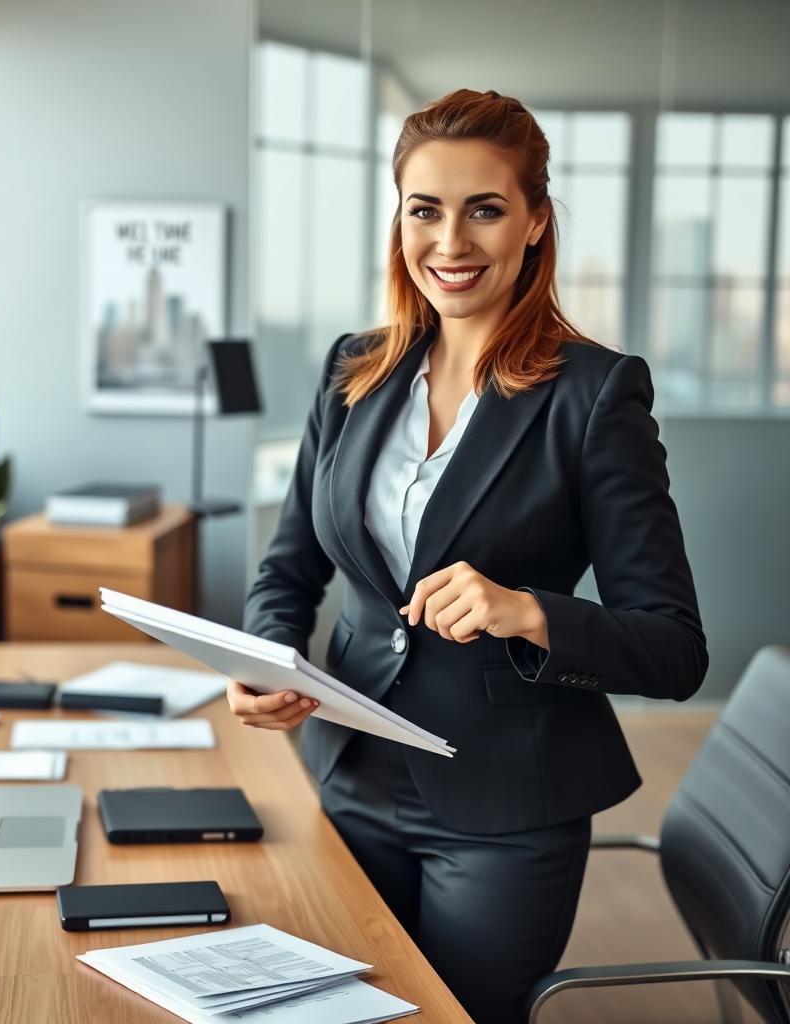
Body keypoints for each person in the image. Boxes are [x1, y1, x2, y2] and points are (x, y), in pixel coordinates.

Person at [231, 88, 708, 1023]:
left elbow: (675, 647)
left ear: (535, 221)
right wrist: (263, 658)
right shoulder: (352, 370)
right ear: (400, 218)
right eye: (425, 209)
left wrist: (527, 611)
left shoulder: (596, 394)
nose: (450, 242)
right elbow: (289, 568)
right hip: (351, 776)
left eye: (484, 208)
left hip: (506, 813)